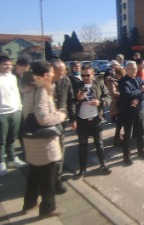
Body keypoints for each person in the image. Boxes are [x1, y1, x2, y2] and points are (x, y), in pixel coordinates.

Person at [21, 61, 65, 217]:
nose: (54, 75)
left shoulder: (29, 87)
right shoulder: (41, 90)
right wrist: (60, 115)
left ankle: (30, 202)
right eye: (52, 72)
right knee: (48, 178)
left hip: (31, 139)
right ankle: (48, 207)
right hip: (43, 142)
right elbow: (43, 117)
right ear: (45, 75)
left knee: (34, 172)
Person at [74, 65, 112, 180]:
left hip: (96, 119)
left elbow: (108, 97)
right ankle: (82, 169)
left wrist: (99, 102)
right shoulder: (77, 85)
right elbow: (71, 102)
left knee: (99, 144)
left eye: (87, 75)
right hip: (82, 120)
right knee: (83, 146)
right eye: (83, 75)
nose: (85, 77)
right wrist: (78, 98)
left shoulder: (99, 84)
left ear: (93, 74)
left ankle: (103, 164)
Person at [118, 61, 144, 165]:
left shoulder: (139, 79)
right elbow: (126, 94)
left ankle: (141, 151)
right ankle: (127, 156)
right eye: (132, 69)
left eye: (135, 69)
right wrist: (140, 90)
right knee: (128, 136)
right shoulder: (123, 81)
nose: (134, 71)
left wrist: (137, 99)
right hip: (128, 113)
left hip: (140, 111)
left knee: (141, 133)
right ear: (126, 70)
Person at [52, 60, 76, 194]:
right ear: (53, 71)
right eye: (61, 71)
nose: (64, 73)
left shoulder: (66, 80)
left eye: (64, 71)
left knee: (60, 148)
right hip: (47, 122)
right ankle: (51, 176)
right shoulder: (45, 82)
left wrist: (72, 118)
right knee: (51, 151)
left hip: (61, 120)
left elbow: (70, 100)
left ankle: (57, 177)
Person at [0, 56, 26, 177]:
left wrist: (19, 108)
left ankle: (11, 159)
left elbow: (16, 93)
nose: (8, 66)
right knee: (2, 141)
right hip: (2, 113)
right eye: (5, 64)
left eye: (9, 64)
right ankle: (1, 163)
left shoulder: (13, 78)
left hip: (15, 111)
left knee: (12, 138)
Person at [104, 67, 125, 147]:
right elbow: (113, 93)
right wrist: (124, 93)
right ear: (117, 74)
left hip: (121, 104)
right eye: (121, 75)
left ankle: (118, 138)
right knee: (119, 123)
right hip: (116, 105)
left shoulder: (117, 80)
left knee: (120, 123)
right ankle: (117, 140)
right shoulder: (111, 81)